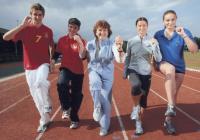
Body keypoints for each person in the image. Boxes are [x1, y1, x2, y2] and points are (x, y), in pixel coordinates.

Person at [3, 3, 55, 133]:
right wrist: (21, 26)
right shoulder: (24, 29)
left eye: (40, 15)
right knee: (35, 96)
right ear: (31, 15)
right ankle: (45, 119)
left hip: (43, 63)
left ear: (43, 16)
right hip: (28, 67)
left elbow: (51, 45)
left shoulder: (48, 30)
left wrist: (52, 59)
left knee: (40, 83)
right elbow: (5, 37)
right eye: (35, 14)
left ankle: (47, 103)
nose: (37, 17)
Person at [154, 10, 198, 134]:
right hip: (163, 63)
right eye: (167, 20)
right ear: (163, 21)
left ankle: (168, 120)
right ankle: (171, 107)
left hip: (179, 67)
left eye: (172, 19)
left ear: (176, 19)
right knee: (170, 69)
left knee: (173, 95)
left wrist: (184, 35)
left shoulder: (184, 31)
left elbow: (194, 50)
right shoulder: (158, 34)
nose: (170, 22)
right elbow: (152, 49)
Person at [86, 20, 125, 136]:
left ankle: (104, 126)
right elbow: (87, 58)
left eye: (104, 30)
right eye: (100, 30)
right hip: (94, 71)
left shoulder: (112, 45)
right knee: (94, 83)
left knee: (106, 103)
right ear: (95, 31)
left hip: (107, 76)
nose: (102, 32)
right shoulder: (90, 44)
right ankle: (96, 106)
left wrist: (119, 48)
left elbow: (119, 60)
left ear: (108, 32)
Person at [123, 17, 162, 135]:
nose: (141, 28)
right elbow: (128, 57)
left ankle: (138, 123)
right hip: (133, 70)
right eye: (139, 26)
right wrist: (125, 71)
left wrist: (155, 46)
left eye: (144, 25)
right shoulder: (131, 41)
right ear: (136, 27)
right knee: (136, 85)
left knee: (143, 101)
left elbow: (159, 58)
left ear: (147, 27)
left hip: (146, 73)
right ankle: (135, 109)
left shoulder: (152, 40)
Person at [52, 18, 86, 129]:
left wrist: (79, 42)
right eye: (70, 26)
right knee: (61, 84)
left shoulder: (82, 40)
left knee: (77, 95)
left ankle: (74, 119)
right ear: (68, 27)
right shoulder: (62, 40)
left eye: (75, 27)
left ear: (78, 29)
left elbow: (83, 56)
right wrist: (52, 61)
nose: (72, 29)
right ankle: (66, 107)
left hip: (78, 71)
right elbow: (57, 53)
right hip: (65, 68)